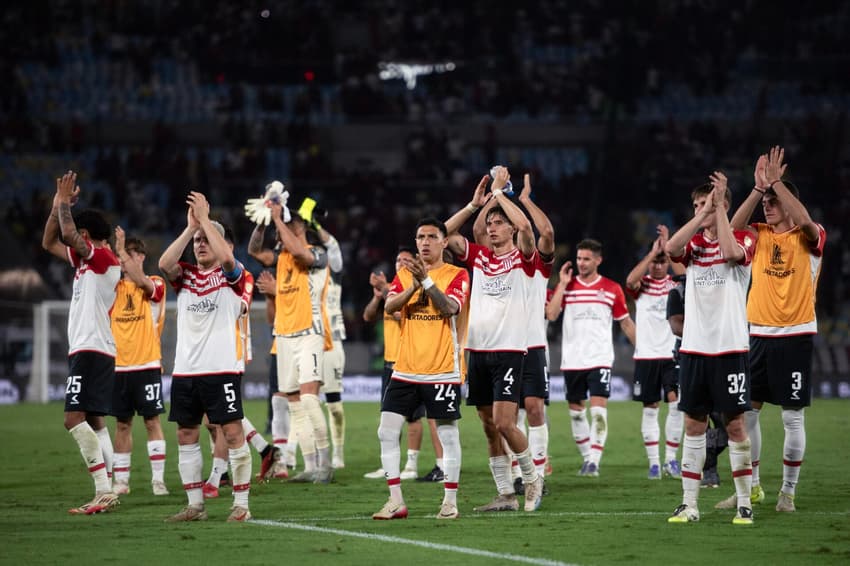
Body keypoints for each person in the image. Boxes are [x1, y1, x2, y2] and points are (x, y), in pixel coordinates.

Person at [717, 147, 826, 513]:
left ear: (789, 202)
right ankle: (756, 487)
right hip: (757, 335)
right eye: (767, 201)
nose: (768, 206)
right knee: (747, 413)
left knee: (792, 417)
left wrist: (777, 183)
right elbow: (729, 232)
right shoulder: (758, 235)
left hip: (795, 334)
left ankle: (788, 493)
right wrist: (756, 189)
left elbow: (807, 222)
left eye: (774, 201)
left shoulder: (811, 237)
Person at [445, 167, 545, 513]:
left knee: (505, 422)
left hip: (509, 350)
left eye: (498, 223)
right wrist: (475, 206)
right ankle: (505, 494)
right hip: (478, 350)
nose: (492, 227)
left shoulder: (523, 258)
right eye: (490, 224)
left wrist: (501, 194)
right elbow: (442, 234)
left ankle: (532, 478)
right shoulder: (479, 257)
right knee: (489, 427)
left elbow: (527, 229)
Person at [664, 173, 756, 525]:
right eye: (695, 205)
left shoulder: (745, 237)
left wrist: (717, 212)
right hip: (694, 350)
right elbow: (671, 249)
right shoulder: (695, 244)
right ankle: (690, 505)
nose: (699, 209)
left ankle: (744, 502)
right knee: (693, 424)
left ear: (725, 205)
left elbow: (732, 253)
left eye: (705, 203)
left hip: (730, 347)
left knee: (734, 426)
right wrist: (702, 216)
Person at [159, 191, 253, 522]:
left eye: (205, 240)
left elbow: (228, 260)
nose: (200, 245)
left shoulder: (235, 277)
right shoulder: (184, 276)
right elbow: (163, 264)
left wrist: (209, 224)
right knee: (186, 434)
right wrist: (190, 228)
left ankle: (241, 505)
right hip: (185, 371)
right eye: (197, 241)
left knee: (231, 433)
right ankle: (195, 505)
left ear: (220, 242)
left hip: (221, 368)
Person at [372, 218, 470, 520]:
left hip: (442, 368)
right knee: (386, 431)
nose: (425, 242)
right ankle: (395, 500)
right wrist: (414, 285)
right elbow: (389, 307)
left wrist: (426, 283)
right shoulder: (404, 275)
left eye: (431, 236)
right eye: (420, 237)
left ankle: (450, 501)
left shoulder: (458, 274)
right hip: (405, 368)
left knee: (447, 434)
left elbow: (450, 308)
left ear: (444, 242)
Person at [42, 170, 121, 515]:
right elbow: (49, 242)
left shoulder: (103, 259)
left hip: (92, 348)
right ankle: (112, 485)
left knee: (73, 419)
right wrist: (57, 205)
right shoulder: (88, 262)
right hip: (90, 347)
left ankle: (103, 489)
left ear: (88, 236)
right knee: (95, 420)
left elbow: (68, 233)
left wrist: (63, 206)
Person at [473, 173, 554, 492]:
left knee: (533, 408)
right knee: (505, 415)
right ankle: (519, 478)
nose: (492, 230)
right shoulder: (493, 256)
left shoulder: (532, 258)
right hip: (504, 342)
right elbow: (480, 230)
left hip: (532, 343)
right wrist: (493, 197)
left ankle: (538, 472)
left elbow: (543, 231)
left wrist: (521, 199)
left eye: (499, 224)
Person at [248, 196, 333, 484]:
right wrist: (262, 223)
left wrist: (276, 218)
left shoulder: (317, 254)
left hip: (309, 333)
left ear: (299, 227)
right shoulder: (281, 257)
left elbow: (299, 252)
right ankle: (309, 467)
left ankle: (325, 464)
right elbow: (253, 249)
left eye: (286, 224)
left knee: (309, 400)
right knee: (294, 404)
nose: (280, 230)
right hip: (283, 337)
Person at [545, 239, 635, 477]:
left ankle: (594, 460)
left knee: (597, 411)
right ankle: (587, 459)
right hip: (572, 360)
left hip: (600, 358)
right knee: (576, 412)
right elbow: (551, 314)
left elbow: (625, 323)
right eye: (579, 258)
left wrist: (642, 349)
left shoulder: (611, 288)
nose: (581, 263)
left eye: (586, 259)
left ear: (598, 260)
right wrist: (562, 284)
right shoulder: (568, 286)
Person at [363, 247, 445, 481]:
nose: (401, 263)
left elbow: (401, 315)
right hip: (390, 363)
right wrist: (378, 296)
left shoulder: (415, 289)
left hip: (410, 361)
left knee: (414, 417)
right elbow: (369, 316)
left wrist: (386, 290)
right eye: (398, 259)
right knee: (389, 416)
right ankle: (389, 465)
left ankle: (412, 464)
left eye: (407, 260)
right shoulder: (394, 289)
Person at [109, 228, 169, 496]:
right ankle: (121, 481)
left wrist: (120, 250)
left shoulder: (155, 284)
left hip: (146, 364)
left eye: (131, 256)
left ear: (142, 257)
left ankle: (158, 480)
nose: (124, 261)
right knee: (122, 424)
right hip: (118, 366)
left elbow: (142, 282)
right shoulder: (113, 289)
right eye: (122, 257)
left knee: (152, 421)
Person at [625, 225, 685, 480]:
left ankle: (671, 460)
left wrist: (668, 248)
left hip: (671, 355)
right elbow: (629, 280)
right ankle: (653, 464)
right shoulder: (642, 286)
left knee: (675, 406)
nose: (658, 266)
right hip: (646, 356)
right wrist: (652, 253)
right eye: (655, 263)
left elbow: (687, 274)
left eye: (662, 263)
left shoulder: (676, 284)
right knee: (650, 408)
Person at [667, 274, 727, 488]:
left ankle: (708, 460)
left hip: (722, 355)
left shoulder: (720, 289)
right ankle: (708, 470)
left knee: (725, 422)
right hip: (689, 360)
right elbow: (676, 325)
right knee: (699, 418)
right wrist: (708, 331)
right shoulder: (677, 292)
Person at [316, 223, 347, 470]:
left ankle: (338, 451)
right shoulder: (304, 276)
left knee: (334, 406)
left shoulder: (334, 272)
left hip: (333, 343)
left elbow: (333, 246)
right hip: (310, 342)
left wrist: (314, 224)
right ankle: (317, 452)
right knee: (308, 402)